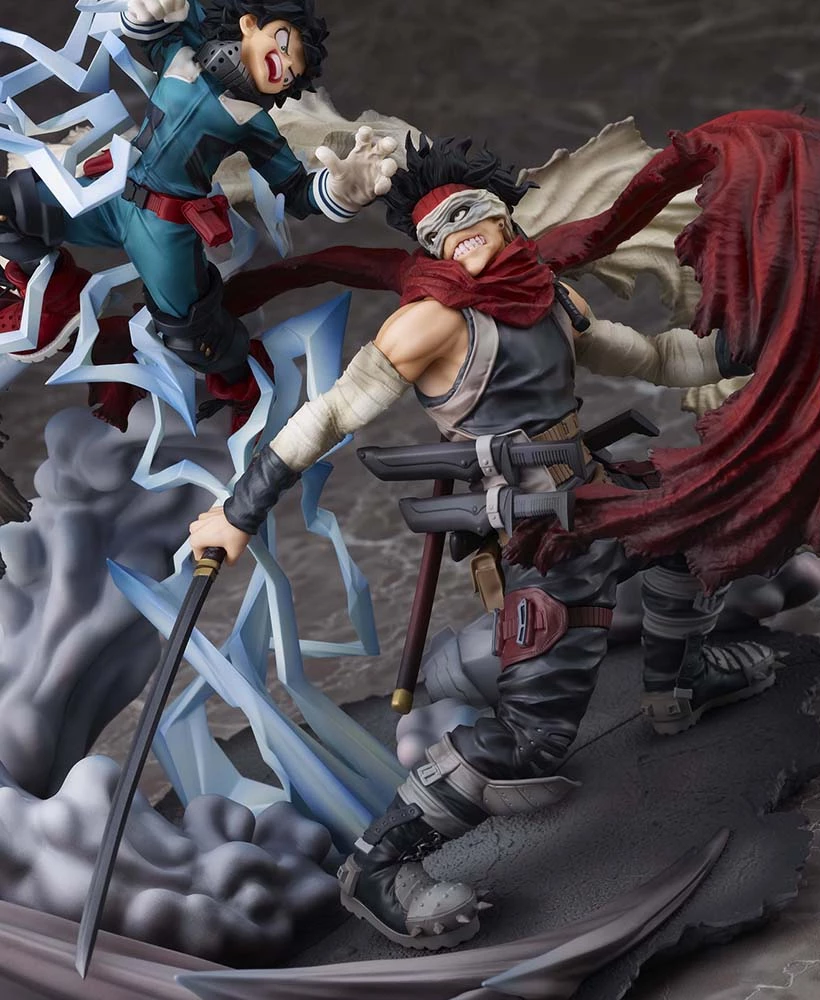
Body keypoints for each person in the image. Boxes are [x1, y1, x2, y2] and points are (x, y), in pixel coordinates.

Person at [189, 136, 779, 950]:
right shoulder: (428, 323)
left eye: (470, 214)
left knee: (690, 531)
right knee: (536, 738)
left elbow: (651, 356)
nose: (457, 233)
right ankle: (380, 864)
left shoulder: (549, 297)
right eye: (438, 230)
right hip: (539, 531)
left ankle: (680, 684)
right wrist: (238, 510)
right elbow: (326, 417)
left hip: (596, 490)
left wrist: (754, 342)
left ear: (505, 218)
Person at [0, 0, 397, 430]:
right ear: (250, 24)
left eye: (292, 70)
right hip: (110, 192)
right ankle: (54, 297)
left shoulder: (254, 123)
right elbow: (153, 26)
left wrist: (340, 192)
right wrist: (149, 9)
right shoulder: (183, 53)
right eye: (283, 42)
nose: (283, 62)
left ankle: (252, 397)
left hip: (164, 228)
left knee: (195, 336)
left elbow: (297, 191)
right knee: (10, 207)